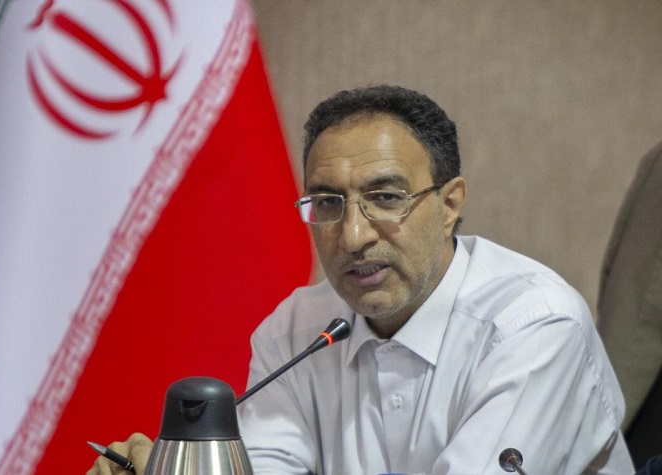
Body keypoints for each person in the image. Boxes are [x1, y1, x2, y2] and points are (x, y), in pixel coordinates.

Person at [87, 85, 634, 474]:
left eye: (386, 198)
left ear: (450, 205)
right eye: (328, 203)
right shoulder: (295, 332)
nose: (351, 236)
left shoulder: (535, 325)